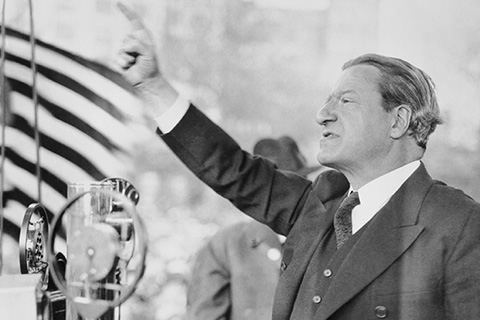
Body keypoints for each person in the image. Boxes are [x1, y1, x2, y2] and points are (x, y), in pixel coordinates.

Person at [116, 4, 480, 319]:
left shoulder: (459, 225)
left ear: (398, 120)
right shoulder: (320, 204)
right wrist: (152, 86)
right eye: (327, 101)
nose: (323, 114)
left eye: (346, 101)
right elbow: (232, 169)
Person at [186, 136, 320, 320]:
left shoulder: (327, 240)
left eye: (302, 187)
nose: (294, 198)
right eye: (283, 190)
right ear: (258, 193)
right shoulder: (226, 246)